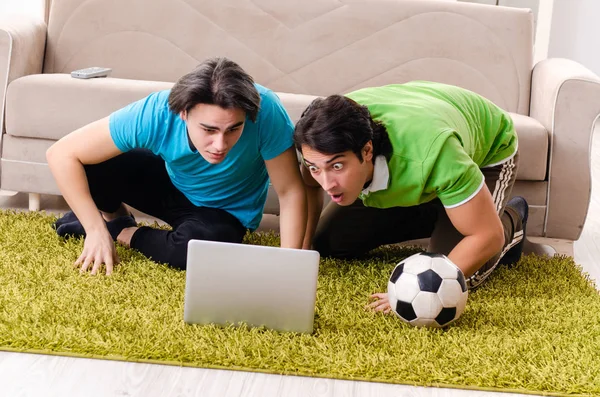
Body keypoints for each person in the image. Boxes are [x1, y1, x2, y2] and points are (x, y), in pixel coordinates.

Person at [47, 57, 307, 276]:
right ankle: (112, 218)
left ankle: (118, 230)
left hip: (222, 211)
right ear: (184, 112)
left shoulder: (266, 110)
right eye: (209, 129)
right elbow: (61, 154)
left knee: (202, 251)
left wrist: (287, 269)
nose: (220, 144)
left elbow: (290, 191)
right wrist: (94, 230)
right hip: (171, 184)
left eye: (233, 129)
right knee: (96, 165)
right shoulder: (158, 111)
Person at [293, 81, 528, 313]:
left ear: (367, 151)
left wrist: (408, 291)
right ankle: (449, 207)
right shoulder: (318, 140)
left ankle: (512, 217)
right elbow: (308, 184)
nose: (327, 185)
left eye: (337, 166)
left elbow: (486, 236)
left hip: (486, 149)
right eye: (315, 168)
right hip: (422, 126)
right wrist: (301, 252)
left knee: (463, 274)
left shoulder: (436, 154)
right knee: (328, 242)